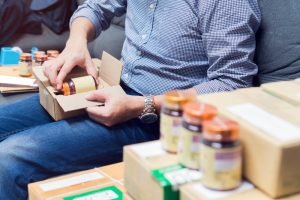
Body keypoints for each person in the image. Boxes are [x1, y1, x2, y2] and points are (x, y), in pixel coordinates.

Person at [0, 0, 260, 199]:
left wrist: (142, 105)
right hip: (114, 88)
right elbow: (96, 6)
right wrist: (76, 42)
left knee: (11, 158)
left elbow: (232, 83)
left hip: (163, 119)